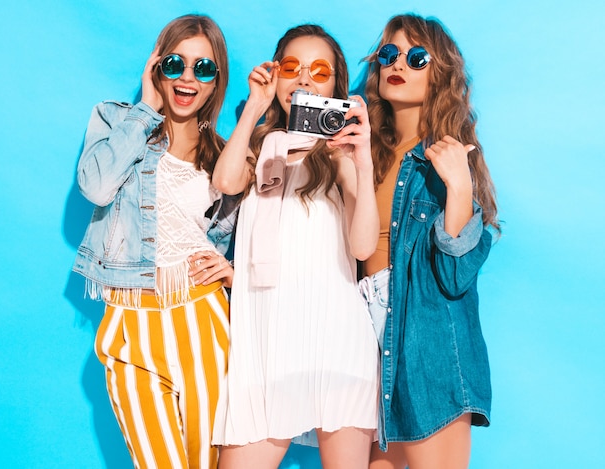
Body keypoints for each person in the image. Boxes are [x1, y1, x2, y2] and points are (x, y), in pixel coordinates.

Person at [204, 24, 380, 469]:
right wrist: (254, 109)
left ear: (337, 87)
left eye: (319, 72)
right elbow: (225, 182)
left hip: (337, 341)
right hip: (265, 347)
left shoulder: (339, 153)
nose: (303, 80)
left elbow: (362, 248)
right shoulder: (263, 147)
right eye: (291, 67)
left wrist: (362, 158)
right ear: (275, 75)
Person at [72, 14, 237, 469]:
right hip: (130, 325)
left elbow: (246, 237)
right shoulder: (116, 119)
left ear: (216, 80)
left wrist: (234, 272)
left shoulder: (224, 155)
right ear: (156, 66)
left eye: (203, 69)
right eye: (175, 63)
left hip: (202, 319)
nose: (188, 77)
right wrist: (145, 110)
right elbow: (96, 186)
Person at [360, 13, 501, 469]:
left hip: (425, 342)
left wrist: (460, 189)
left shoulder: (443, 159)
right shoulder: (367, 151)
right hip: (362, 333)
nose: (398, 63)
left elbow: (455, 275)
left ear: (439, 74)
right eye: (389, 54)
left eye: (416, 57)